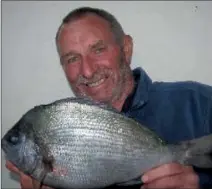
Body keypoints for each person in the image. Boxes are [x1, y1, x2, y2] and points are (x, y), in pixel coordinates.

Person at [6, 6, 212, 189]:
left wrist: (204, 183)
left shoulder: (200, 103)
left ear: (126, 48)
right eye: (72, 58)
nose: (86, 71)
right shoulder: (63, 126)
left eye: (98, 49)